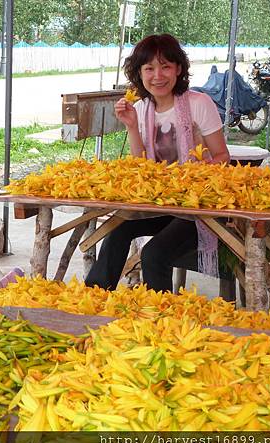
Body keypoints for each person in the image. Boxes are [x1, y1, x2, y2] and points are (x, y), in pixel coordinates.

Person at [84, 33, 230, 293]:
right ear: (139, 74)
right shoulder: (141, 109)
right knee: (117, 230)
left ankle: (160, 320)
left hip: (199, 209)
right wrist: (131, 127)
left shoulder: (199, 104)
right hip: (161, 204)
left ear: (179, 69)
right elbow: (142, 168)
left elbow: (222, 157)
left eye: (165, 66)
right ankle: (91, 300)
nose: (158, 76)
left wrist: (196, 175)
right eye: (149, 68)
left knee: (153, 254)